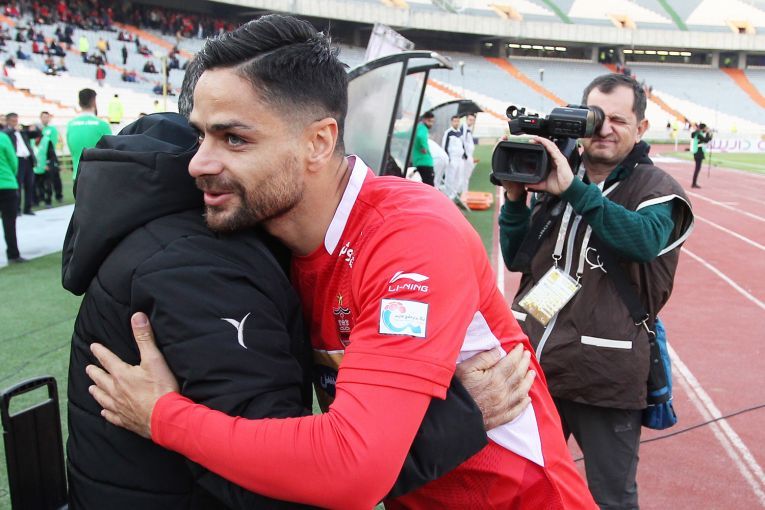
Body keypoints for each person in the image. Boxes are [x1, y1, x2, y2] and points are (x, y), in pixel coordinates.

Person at [87, 15, 596, 510]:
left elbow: (352, 468)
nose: (198, 162)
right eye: (201, 135)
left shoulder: (409, 237)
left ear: (319, 142)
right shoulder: (273, 240)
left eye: (234, 138)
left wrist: (163, 416)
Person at [62, 112, 313, 509]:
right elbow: (275, 476)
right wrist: (165, 416)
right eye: (230, 138)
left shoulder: (167, 236)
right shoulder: (194, 264)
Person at [498, 73, 694, 509]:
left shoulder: (659, 190)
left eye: (619, 121)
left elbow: (642, 241)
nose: (604, 129)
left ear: (641, 128)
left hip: (605, 375)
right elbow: (517, 258)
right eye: (596, 118)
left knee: (610, 498)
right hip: (536, 366)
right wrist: (514, 202)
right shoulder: (559, 174)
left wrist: (574, 189)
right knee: (523, 486)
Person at [66, 88, 111, 180]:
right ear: (94, 102)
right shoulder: (102, 125)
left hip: (78, 177)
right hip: (98, 177)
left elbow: (72, 150)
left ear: (79, 103)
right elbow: (111, 152)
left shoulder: (70, 125)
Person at [3, 113, 36, 215]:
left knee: (29, 184)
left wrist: (28, 127)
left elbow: (36, 134)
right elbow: (5, 132)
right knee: (18, 184)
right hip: (18, 160)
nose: (15, 123)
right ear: (8, 121)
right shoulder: (6, 132)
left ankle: (28, 208)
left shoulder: (22, 132)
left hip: (27, 160)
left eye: (16, 120)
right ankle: (17, 208)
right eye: (13, 121)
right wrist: (14, 129)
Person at [0, 128, 22, 262]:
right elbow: (13, 161)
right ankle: (13, 254)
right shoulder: (3, 137)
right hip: (7, 184)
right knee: (9, 222)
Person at [39, 111, 63, 203]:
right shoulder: (40, 129)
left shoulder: (52, 129)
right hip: (42, 157)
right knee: (43, 178)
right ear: (41, 118)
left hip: (51, 156)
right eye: (43, 117)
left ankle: (58, 195)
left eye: (47, 117)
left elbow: (53, 143)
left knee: (55, 176)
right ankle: (43, 196)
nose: (45, 119)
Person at [441, 115, 466, 200]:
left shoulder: (460, 133)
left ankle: (454, 194)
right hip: (452, 158)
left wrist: (464, 155)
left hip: (460, 158)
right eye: (455, 121)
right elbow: (444, 146)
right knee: (450, 177)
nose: (456, 123)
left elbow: (462, 145)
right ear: (451, 122)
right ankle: (448, 195)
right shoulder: (448, 132)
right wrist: (448, 158)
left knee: (458, 177)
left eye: (458, 121)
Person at [411, 111, 435, 186]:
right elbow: (421, 136)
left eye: (432, 121)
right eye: (429, 121)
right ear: (424, 119)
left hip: (418, 162)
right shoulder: (423, 128)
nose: (431, 124)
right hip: (425, 162)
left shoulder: (416, 128)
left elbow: (406, 134)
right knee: (430, 187)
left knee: (423, 185)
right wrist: (424, 147)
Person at [690, 122, 712, 189]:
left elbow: (705, 139)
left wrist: (708, 134)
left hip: (697, 152)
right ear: (703, 128)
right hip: (698, 153)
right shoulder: (699, 134)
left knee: (697, 168)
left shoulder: (697, 133)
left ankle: (694, 183)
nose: (706, 129)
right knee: (697, 168)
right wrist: (708, 133)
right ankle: (694, 183)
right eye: (705, 128)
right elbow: (706, 140)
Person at [461, 113, 477, 194]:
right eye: (470, 120)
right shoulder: (463, 128)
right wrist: (465, 155)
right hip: (465, 156)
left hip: (468, 155)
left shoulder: (468, 129)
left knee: (466, 175)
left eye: (473, 120)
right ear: (466, 119)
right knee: (465, 175)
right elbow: (461, 141)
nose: (471, 121)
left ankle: (464, 191)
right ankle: (464, 192)